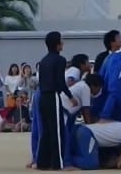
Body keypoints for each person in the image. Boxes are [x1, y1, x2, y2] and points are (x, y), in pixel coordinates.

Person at [37, 31, 78, 171]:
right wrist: (70, 96)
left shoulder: (43, 60)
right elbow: (60, 81)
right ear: (57, 44)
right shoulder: (60, 60)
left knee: (47, 130)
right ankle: (58, 164)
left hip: (42, 96)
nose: (63, 43)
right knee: (57, 131)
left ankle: (42, 162)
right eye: (61, 41)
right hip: (53, 95)